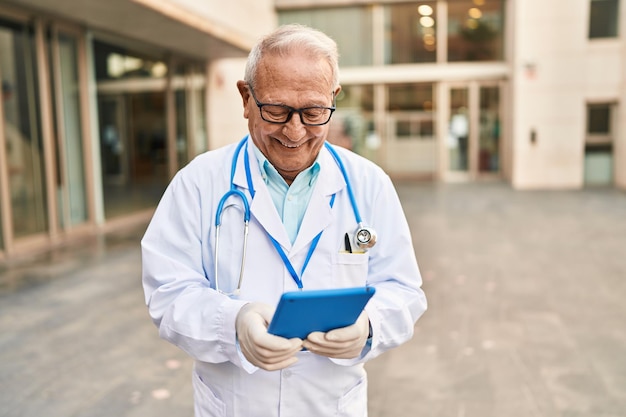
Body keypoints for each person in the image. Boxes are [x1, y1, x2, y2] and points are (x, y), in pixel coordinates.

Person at [141, 24, 427, 417]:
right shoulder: (199, 183)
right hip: (237, 404)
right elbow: (168, 292)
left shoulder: (368, 185)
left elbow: (403, 288)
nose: (294, 131)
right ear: (246, 98)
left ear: (334, 99)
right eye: (276, 110)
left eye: (313, 112)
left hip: (330, 405)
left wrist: (370, 326)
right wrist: (233, 324)